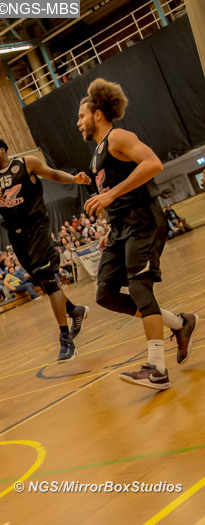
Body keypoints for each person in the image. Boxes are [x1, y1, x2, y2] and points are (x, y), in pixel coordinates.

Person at [77, 78, 199, 389]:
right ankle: (179, 323)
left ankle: (157, 369)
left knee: (139, 287)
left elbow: (153, 164)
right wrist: (111, 227)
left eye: (81, 116)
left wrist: (110, 194)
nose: (78, 122)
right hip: (121, 228)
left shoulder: (118, 137)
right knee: (105, 294)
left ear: (97, 114)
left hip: (143, 221)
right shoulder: (96, 154)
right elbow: (118, 194)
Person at [0, 136, 91, 362]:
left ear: (3, 149)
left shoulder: (26, 163)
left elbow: (53, 174)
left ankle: (65, 339)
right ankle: (74, 310)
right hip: (16, 236)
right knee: (42, 280)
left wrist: (75, 179)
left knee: (47, 279)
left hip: (37, 228)